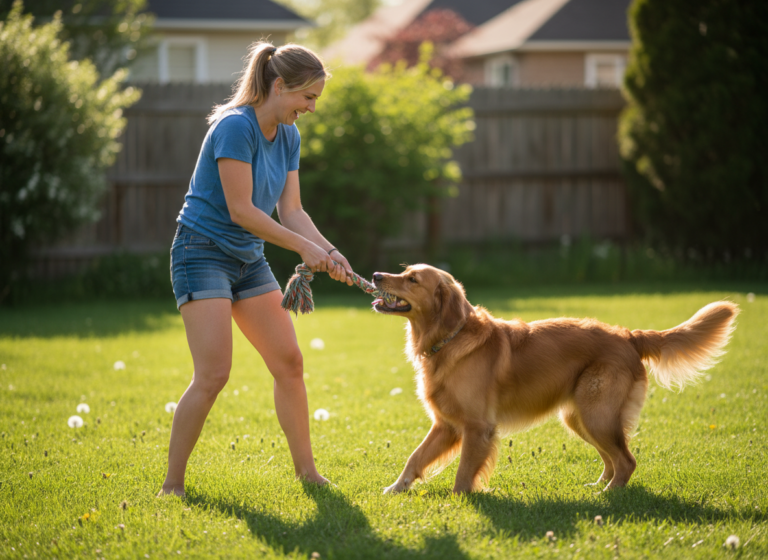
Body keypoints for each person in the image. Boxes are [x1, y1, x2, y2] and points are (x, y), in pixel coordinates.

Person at [158, 42, 352, 496]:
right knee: (213, 374)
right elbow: (242, 209)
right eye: (308, 97)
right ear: (279, 85)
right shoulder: (234, 127)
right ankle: (172, 485)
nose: (311, 108)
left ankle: (308, 473)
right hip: (200, 251)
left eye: (316, 100)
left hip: (248, 259)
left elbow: (293, 211)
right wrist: (305, 250)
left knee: (290, 361)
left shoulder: (288, 136)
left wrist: (330, 251)